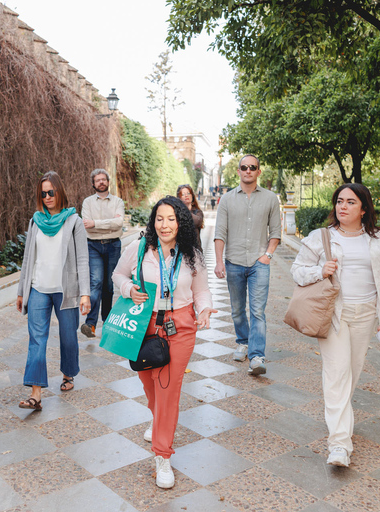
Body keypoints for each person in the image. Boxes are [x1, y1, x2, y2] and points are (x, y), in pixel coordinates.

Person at [290, 183, 380, 468]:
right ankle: (339, 444)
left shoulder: (379, 240)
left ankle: (340, 421)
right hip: (334, 313)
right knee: (337, 374)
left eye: (351, 202)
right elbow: (297, 270)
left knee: (351, 373)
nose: (343, 207)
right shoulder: (321, 237)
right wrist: (320, 270)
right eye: (340, 201)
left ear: (364, 208)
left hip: (365, 315)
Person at [112, 196, 216, 489]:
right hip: (144, 325)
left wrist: (205, 308)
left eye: (171, 219)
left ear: (180, 222)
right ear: (153, 221)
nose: (165, 224)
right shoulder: (140, 247)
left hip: (181, 327)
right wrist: (128, 287)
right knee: (150, 385)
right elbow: (117, 273)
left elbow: (202, 290)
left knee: (168, 389)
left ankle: (162, 455)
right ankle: (159, 420)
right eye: (160, 218)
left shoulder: (191, 255)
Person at [16, 171, 91, 409]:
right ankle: (36, 394)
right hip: (38, 287)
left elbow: (82, 259)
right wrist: (21, 291)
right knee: (37, 339)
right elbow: (28, 259)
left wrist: (85, 293)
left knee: (68, 336)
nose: (47, 197)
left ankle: (68, 372)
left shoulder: (74, 222)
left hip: (65, 289)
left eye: (51, 192)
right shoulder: (35, 220)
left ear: (59, 191)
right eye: (43, 193)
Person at [214, 154, 281, 374]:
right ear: (239, 171)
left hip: (258, 263)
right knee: (237, 310)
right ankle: (243, 341)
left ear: (259, 171)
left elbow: (276, 233)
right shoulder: (227, 199)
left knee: (258, 311)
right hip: (233, 262)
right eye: (244, 167)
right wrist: (219, 262)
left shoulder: (270, 198)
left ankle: (257, 357)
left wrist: (267, 256)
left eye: (253, 167)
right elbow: (220, 232)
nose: (248, 170)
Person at [80, 168, 125, 338]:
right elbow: (86, 224)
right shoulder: (87, 202)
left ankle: (107, 322)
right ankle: (90, 324)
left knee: (108, 285)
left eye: (103, 179)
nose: (101, 182)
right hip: (93, 246)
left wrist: (96, 224)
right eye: (97, 180)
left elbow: (118, 223)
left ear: (108, 182)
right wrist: (107, 223)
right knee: (96, 282)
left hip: (113, 245)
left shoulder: (118, 201)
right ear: (93, 184)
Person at [177, 183, 204, 247]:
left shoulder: (198, 212)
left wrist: (184, 210)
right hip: (180, 249)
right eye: (183, 194)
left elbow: (197, 221)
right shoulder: (176, 213)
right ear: (179, 198)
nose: (186, 196)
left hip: (195, 249)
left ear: (192, 196)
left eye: (188, 193)